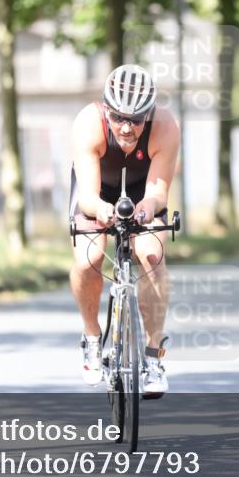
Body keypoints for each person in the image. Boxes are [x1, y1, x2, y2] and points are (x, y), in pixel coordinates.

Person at [69, 64, 180, 397]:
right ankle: (91, 338)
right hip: (97, 193)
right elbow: (87, 196)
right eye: (118, 118)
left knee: (150, 255)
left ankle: (153, 356)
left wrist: (146, 209)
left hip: (143, 193)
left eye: (135, 119)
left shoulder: (166, 126)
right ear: (106, 109)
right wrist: (102, 210)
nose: (126, 128)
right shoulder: (88, 122)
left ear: (149, 114)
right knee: (88, 259)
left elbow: (158, 192)